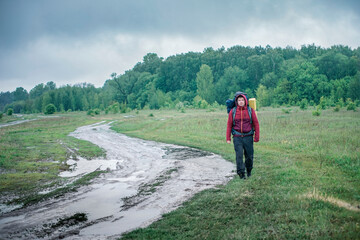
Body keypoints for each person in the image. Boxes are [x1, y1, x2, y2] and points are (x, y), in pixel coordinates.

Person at [226, 93, 260, 179]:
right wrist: (228, 138)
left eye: (242, 100)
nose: (241, 102)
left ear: (245, 101)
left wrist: (257, 136)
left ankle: (249, 170)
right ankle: (241, 173)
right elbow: (229, 125)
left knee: (249, 156)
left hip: (248, 136)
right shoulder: (233, 111)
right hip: (237, 137)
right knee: (239, 155)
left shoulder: (250, 110)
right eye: (239, 100)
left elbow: (256, 123)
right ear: (237, 102)